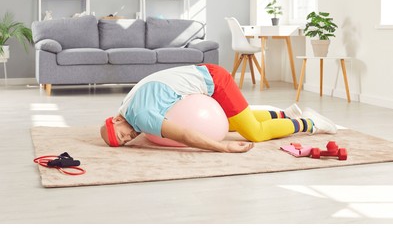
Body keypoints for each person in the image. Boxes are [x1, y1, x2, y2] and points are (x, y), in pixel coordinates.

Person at [100, 63, 337, 153]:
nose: (131, 137)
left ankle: (309, 122)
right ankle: (283, 114)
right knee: (231, 122)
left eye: (123, 135)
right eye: (126, 142)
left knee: (254, 132)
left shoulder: (141, 118)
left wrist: (223, 147)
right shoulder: (126, 105)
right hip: (205, 72)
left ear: (116, 120)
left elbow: (185, 134)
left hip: (215, 81)